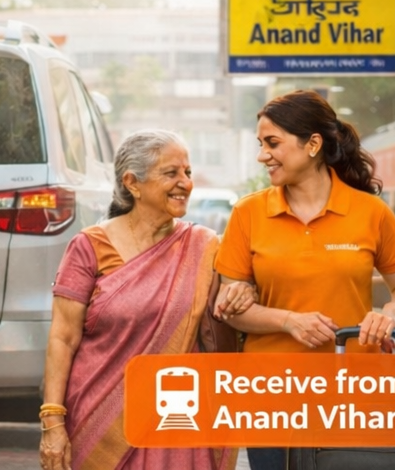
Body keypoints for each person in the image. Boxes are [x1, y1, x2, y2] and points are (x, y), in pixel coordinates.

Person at [213, 91, 395, 470]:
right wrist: (288, 321)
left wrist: (389, 313)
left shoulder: (370, 212)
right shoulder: (248, 213)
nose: (262, 155)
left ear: (312, 144)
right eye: (261, 144)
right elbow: (230, 308)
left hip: (352, 390)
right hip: (271, 394)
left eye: (272, 143)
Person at [41, 130, 246, 470]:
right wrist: (52, 421)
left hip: (177, 415)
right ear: (132, 183)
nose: (185, 183)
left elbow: (235, 294)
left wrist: (245, 289)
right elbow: (63, 337)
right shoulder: (90, 247)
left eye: (188, 172)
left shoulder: (203, 245)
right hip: (100, 418)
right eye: (171, 173)